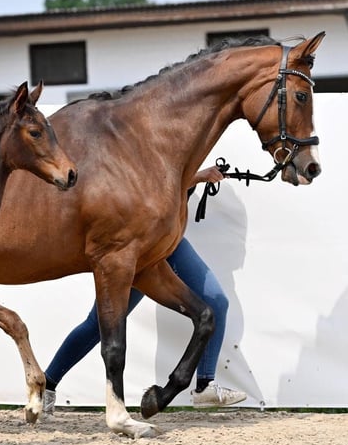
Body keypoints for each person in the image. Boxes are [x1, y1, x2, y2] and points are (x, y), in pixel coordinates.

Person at [42, 166, 247, 415]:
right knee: (98, 324)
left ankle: (205, 384)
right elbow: (153, 186)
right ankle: (47, 384)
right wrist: (198, 176)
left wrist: (195, 178)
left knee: (216, 301)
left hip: (169, 242)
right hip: (143, 246)